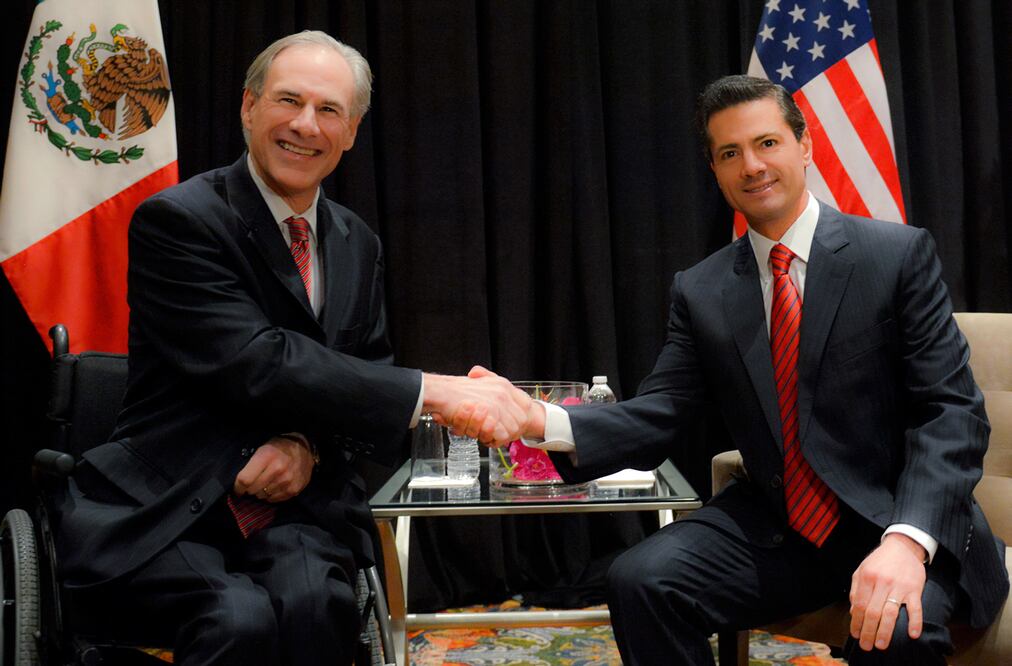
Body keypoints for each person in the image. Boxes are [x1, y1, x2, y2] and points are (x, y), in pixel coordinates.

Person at [457, 75, 1009, 664]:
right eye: (729, 153)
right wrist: (537, 420)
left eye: (767, 143)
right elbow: (661, 413)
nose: (752, 166)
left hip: (900, 521)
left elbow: (951, 412)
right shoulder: (702, 290)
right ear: (715, 170)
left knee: (893, 631)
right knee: (641, 580)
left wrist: (906, 542)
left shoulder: (895, 255)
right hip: (782, 530)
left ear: (804, 145)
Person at [54, 31, 531, 666]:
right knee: (237, 620)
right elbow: (256, 360)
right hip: (173, 501)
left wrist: (308, 447)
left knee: (314, 607)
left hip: (296, 510)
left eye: (329, 110)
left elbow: (364, 376)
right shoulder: (180, 220)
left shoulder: (357, 242)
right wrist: (433, 391)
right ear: (249, 106)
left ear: (351, 131)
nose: (306, 125)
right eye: (289, 101)